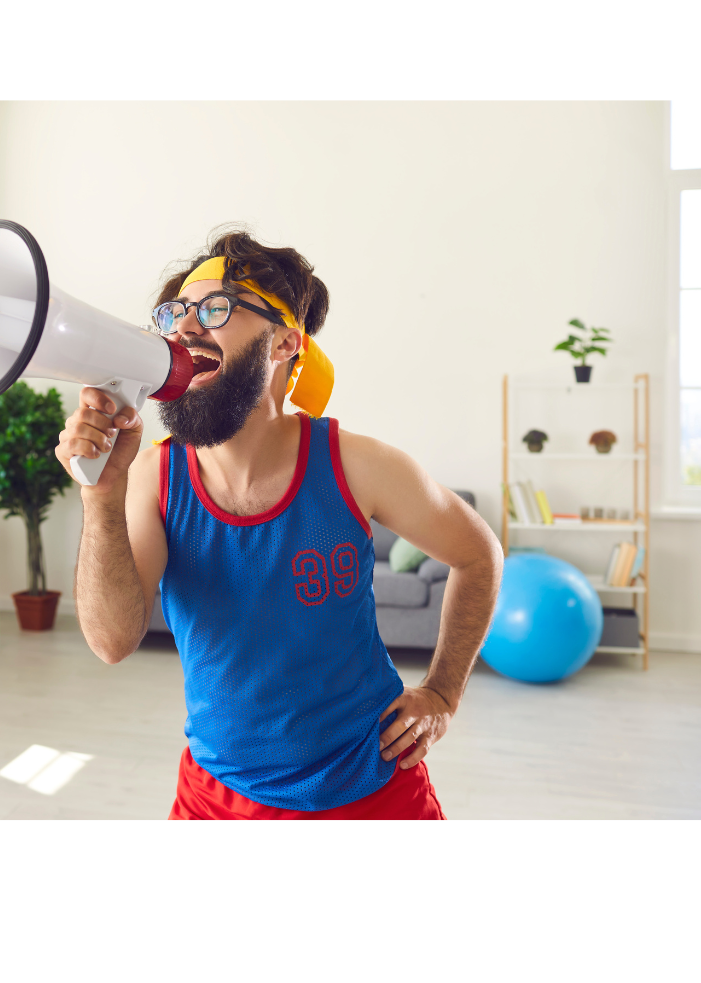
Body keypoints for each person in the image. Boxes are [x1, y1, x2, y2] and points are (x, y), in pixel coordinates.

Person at [56, 232, 503, 821]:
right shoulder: (152, 478)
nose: (184, 327)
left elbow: (479, 555)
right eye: (175, 313)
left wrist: (443, 692)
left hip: (374, 789)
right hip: (215, 798)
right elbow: (110, 643)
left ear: (285, 342)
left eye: (215, 308)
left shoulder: (359, 465)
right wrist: (100, 497)